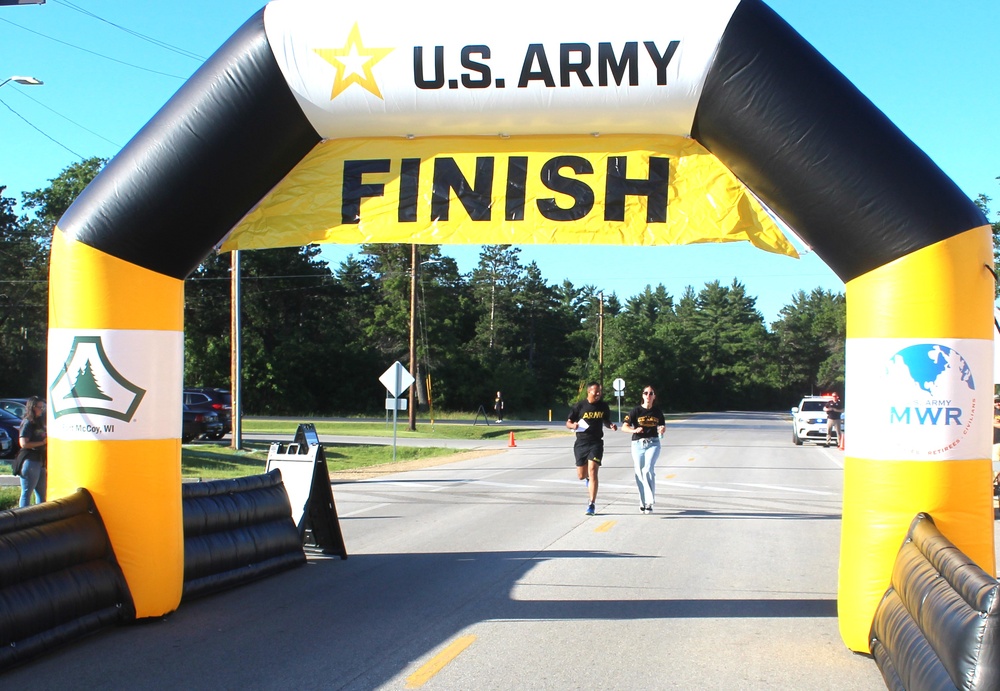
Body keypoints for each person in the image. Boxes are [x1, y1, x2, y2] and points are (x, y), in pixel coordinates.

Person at [566, 382, 617, 516]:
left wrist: (610, 425)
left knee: (593, 471)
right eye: (596, 392)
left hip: (596, 443)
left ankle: (591, 503)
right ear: (589, 392)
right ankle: (588, 479)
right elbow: (568, 422)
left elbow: (606, 420)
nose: (599, 394)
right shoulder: (580, 406)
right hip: (581, 443)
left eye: (600, 391)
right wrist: (573, 426)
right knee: (581, 476)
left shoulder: (603, 406)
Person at [621, 385, 667, 513]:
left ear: (654, 396)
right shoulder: (635, 411)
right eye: (646, 393)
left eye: (651, 393)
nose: (648, 395)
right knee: (639, 472)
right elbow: (624, 427)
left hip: (653, 443)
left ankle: (650, 500)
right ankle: (643, 501)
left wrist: (662, 430)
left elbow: (662, 428)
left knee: (647, 469)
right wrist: (634, 430)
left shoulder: (657, 412)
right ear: (642, 395)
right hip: (637, 444)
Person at [18, 395, 47, 508]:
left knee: (41, 493)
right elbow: (24, 443)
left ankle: (40, 517)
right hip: (30, 460)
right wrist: (43, 443)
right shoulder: (28, 422)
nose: (41, 410)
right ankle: (21, 519)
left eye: (42, 407)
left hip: (40, 461)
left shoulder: (39, 421)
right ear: (32, 407)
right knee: (27, 493)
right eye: (39, 407)